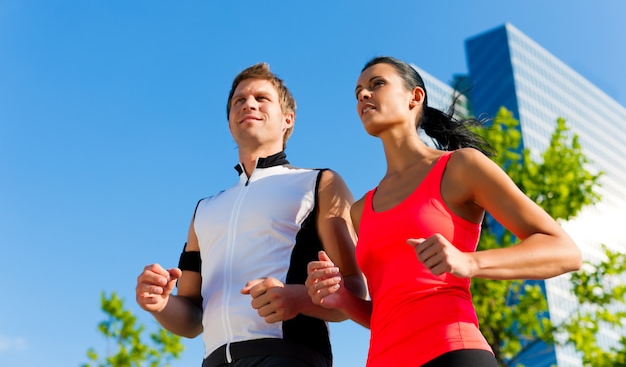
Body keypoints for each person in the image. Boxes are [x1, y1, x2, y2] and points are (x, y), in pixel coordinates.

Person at [305, 56, 582, 367]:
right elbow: (388, 310)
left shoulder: (460, 166)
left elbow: (564, 251)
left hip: (452, 351)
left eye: (377, 84)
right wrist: (343, 298)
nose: (363, 96)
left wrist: (469, 262)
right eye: (358, 93)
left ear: (415, 96)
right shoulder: (360, 210)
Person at [136, 62, 366, 367]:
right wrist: (159, 304)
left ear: (288, 119)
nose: (249, 104)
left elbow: (354, 290)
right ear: (230, 123)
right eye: (239, 101)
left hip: (290, 355)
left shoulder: (319, 182)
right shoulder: (204, 210)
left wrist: (296, 298)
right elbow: (192, 319)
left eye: (261, 98)